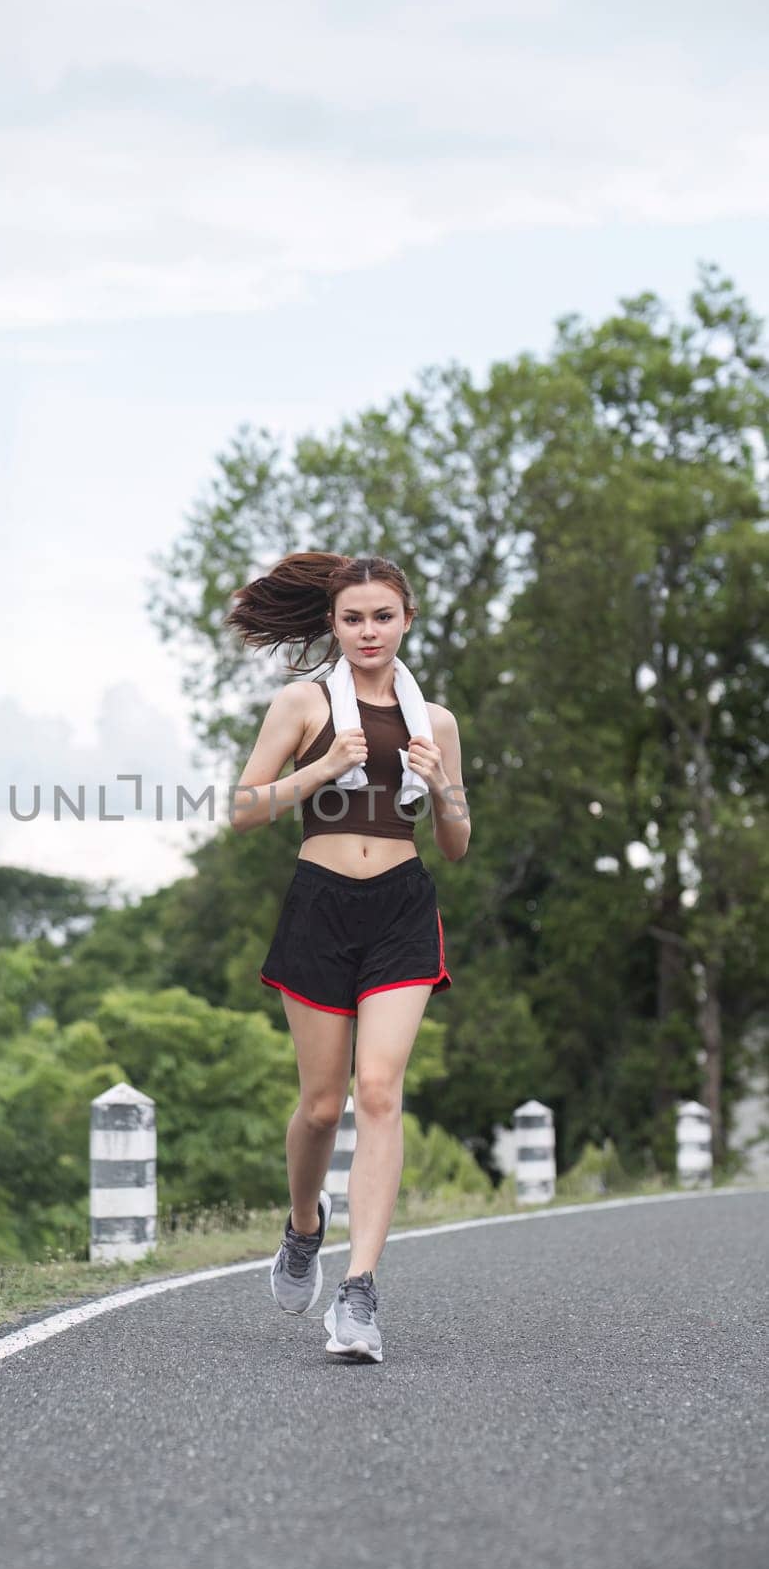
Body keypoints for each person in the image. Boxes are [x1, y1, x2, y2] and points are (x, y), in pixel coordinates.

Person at [225, 552, 470, 1364]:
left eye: (383, 616)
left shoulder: (434, 720)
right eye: (353, 618)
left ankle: (358, 1291)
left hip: (400, 908)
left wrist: (440, 792)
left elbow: (458, 842)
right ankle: (303, 1228)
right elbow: (243, 811)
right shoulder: (302, 703)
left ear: (406, 620)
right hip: (318, 910)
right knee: (322, 1106)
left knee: (377, 1091)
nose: (368, 631)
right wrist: (322, 769)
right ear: (332, 625)